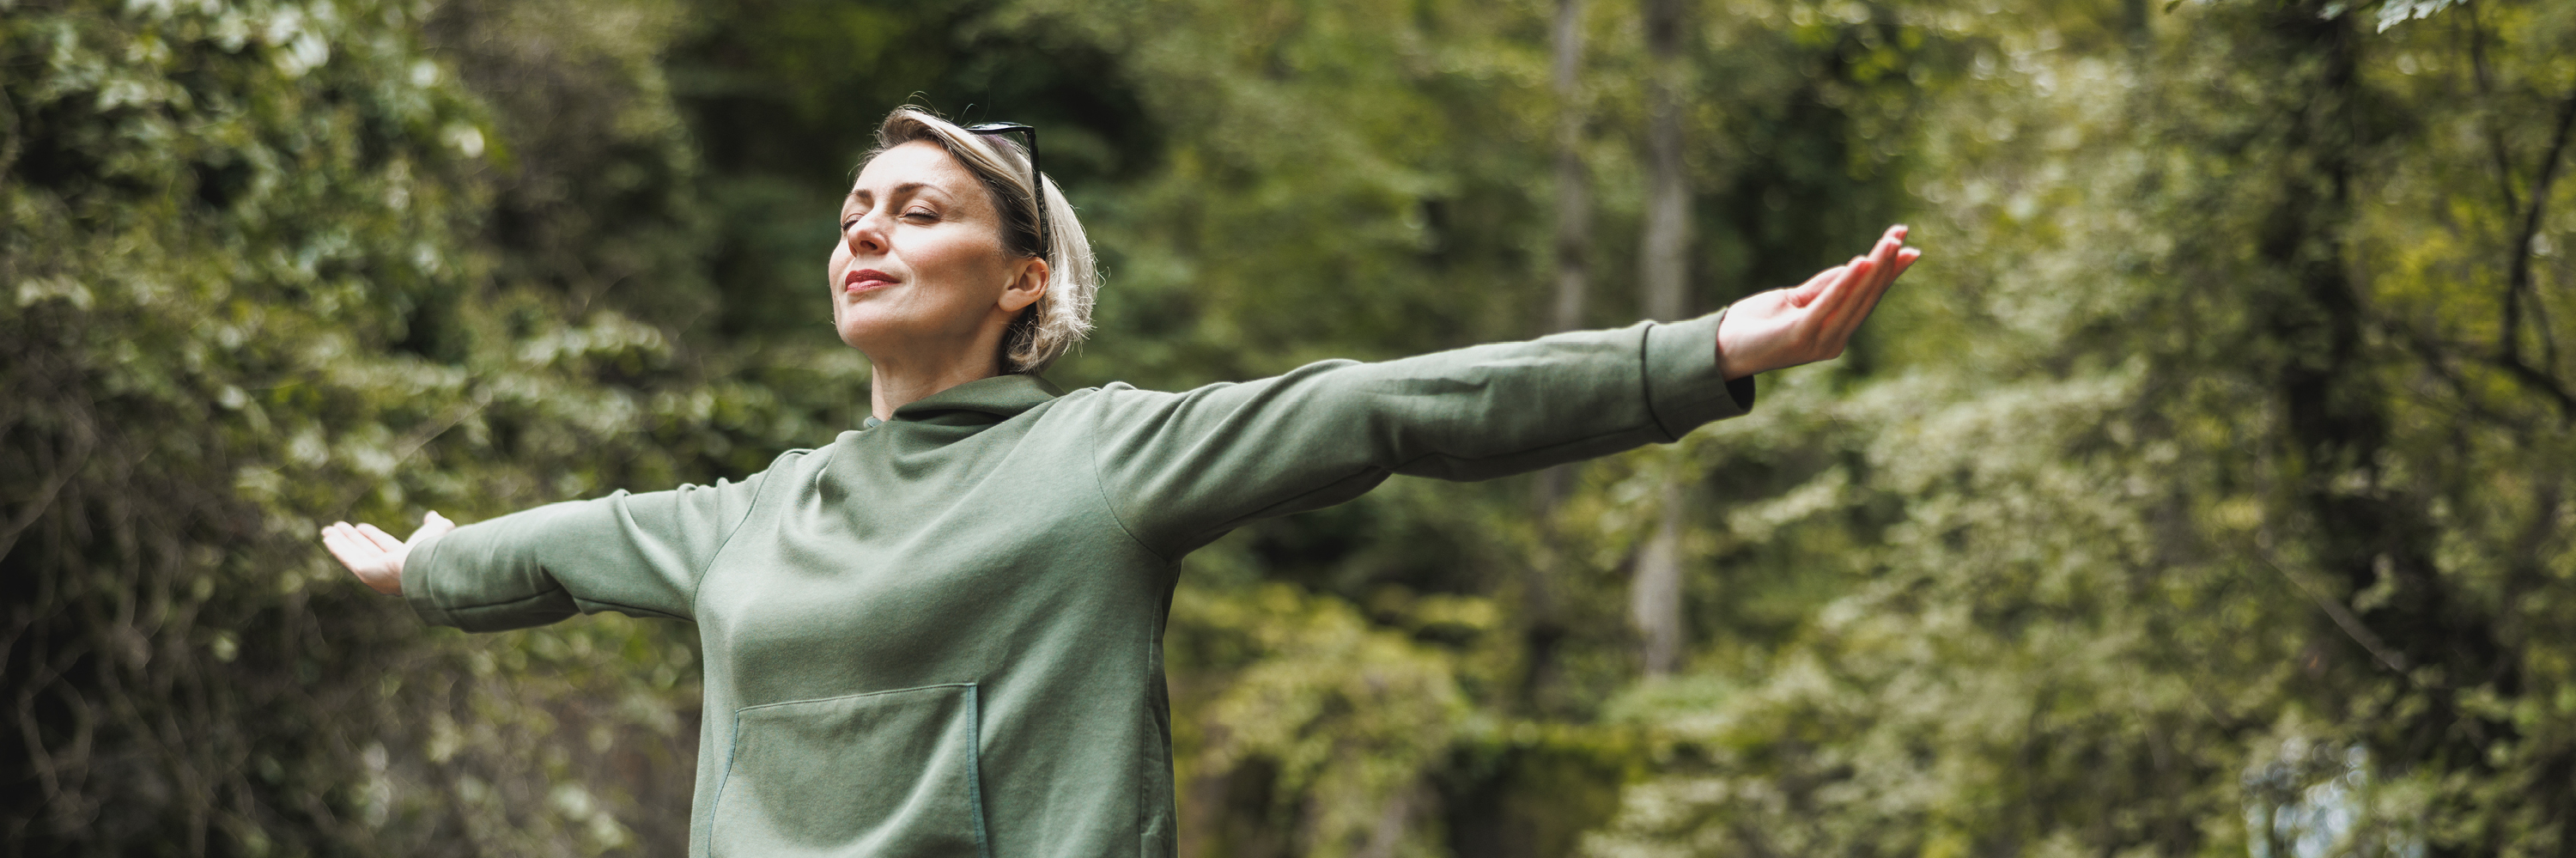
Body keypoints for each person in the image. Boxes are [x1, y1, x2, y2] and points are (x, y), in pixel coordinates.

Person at [321, 106, 1919, 858]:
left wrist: (1702, 350)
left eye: (922, 211)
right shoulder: (753, 514)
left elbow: (1392, 409)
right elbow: (558, 549)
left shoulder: (1104, 460)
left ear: (1025, 284)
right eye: (856, 208)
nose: (866, 229)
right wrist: (420, 567)